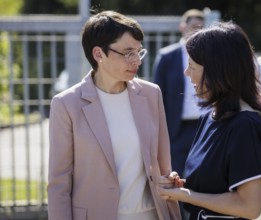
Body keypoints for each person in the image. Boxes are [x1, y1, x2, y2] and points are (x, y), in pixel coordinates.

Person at [47, 10, 180, 220]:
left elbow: (164, 167)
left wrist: (169, 179)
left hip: (153, 215)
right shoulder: (66, 104)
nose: (137, 60)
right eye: (128, 53)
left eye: (139, 52)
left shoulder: (151, 94)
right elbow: (59, 184)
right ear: (99, 54)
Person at [157, 21, 261, 220]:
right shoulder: (210, 117)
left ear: (218, 71)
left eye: (192, 66)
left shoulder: (244, 126)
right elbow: (216, 185)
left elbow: (250, 206)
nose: (186, 73)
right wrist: (183, 185)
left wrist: (189, 196)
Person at [152, 9, 205, 177]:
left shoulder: (208, 56)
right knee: (174, 174)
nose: (196, 30)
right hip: (176, 128)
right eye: (193, 26)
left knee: (201, 174)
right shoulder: (167, 56)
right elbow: (157, 94)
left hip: (203, 125)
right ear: (183, 27)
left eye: (201, 27)